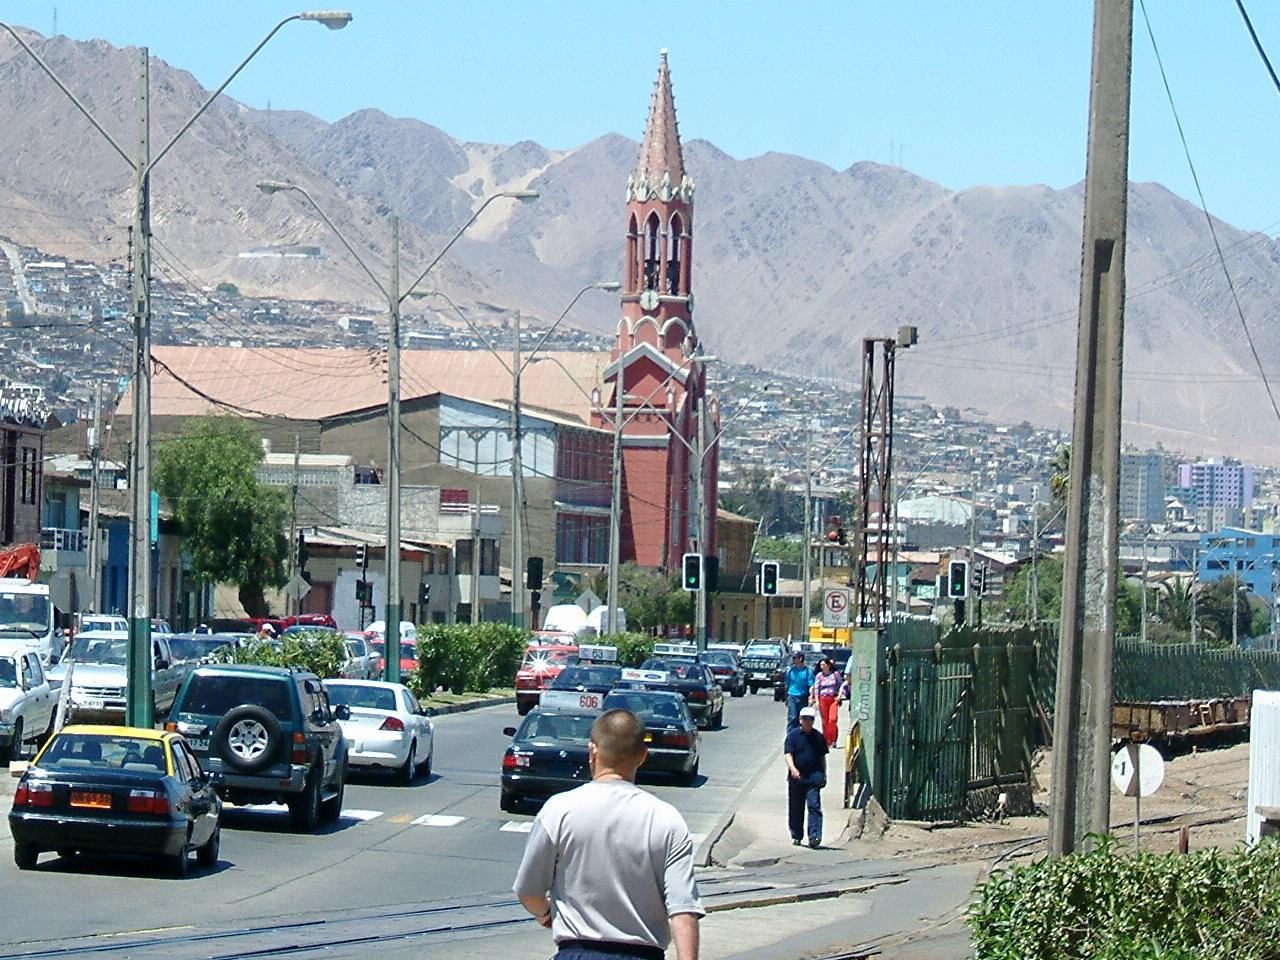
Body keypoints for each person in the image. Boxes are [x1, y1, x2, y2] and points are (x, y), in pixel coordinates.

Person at [514, 709, 704, 960]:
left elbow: (528, 890)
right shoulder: (665, 819)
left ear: (592, 751)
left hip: (577, 953)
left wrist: (546, 914)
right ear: (642, 756)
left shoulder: (558, 810)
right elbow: (683, 910)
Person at [784, 705, 828, 848]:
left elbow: (822, 757)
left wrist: (824, 774)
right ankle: (796, 835)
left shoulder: (818, 737)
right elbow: (788, 754)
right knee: (796, 807)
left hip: (813, 776)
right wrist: (793, 769)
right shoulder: (793, 736)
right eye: (805, 719)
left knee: (813, 805)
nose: (807, 721)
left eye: (810, 719)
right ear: (800, 720)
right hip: (797, 778)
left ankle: (814, 836)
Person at [810, 657, 844, 748]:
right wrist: (817, 701)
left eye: (824, 665)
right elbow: (817, 688)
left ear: (828, 665)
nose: (822, 666)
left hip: (833, 699)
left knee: (832, 719)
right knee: (825, 721)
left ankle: (834, 738)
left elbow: (841, 685)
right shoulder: (819, 676)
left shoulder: (835, 674)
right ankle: (827, 740)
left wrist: (839, 696)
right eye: (821, 665)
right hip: (822, 699)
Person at [784, 652, 814, 730]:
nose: (793, 660)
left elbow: (811, 685)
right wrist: (786, 698)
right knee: (792, 717)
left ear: (800, 659)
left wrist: (811, 697)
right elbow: (786, 685)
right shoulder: (790, 671)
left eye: (794, 658)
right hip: (792, 696)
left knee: (802, 717)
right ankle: (790, 736)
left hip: (803, 697)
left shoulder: (807, 671)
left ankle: (800, 734)